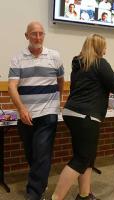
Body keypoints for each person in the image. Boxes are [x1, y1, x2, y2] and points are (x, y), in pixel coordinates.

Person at [51, 34, 114, 200]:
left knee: (86, 156)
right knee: (82, 158)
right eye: (104, 46)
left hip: (72, 113)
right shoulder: (99, 63)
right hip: (86, 116)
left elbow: (91, 89)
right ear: (99, 48)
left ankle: (84, 194)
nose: (106, 50)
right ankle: (56, 197)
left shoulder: (79, 65)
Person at [8, 21, 64, 200]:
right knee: (31, 153)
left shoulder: (54, 56)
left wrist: (57, 101)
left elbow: (60, 81)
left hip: (48, 113)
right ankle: (41, 181)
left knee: (41, 152)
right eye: (34, 33)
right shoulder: (18, 58)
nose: (38, 37)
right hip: (26, 115)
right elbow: (12, 86)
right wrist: (21, 109)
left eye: (41, 33)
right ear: (27, 36)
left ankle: (34, 193)